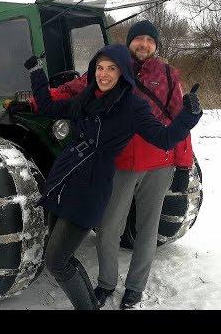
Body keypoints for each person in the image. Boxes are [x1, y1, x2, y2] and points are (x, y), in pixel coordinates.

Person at [13, 20, 195, 309]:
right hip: (121, 163)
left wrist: (184, 166)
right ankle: (106, 284)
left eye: (149, 40)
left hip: (159, 163)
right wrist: (34, 102)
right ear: (130, 43)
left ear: (156, 45)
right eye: (139, 39)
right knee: (109, 227)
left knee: (147, 230)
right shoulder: (110, 67)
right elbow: (73, 91)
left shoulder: (169, 77)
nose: (143, 44)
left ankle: (135, 287)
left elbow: (177, 124)